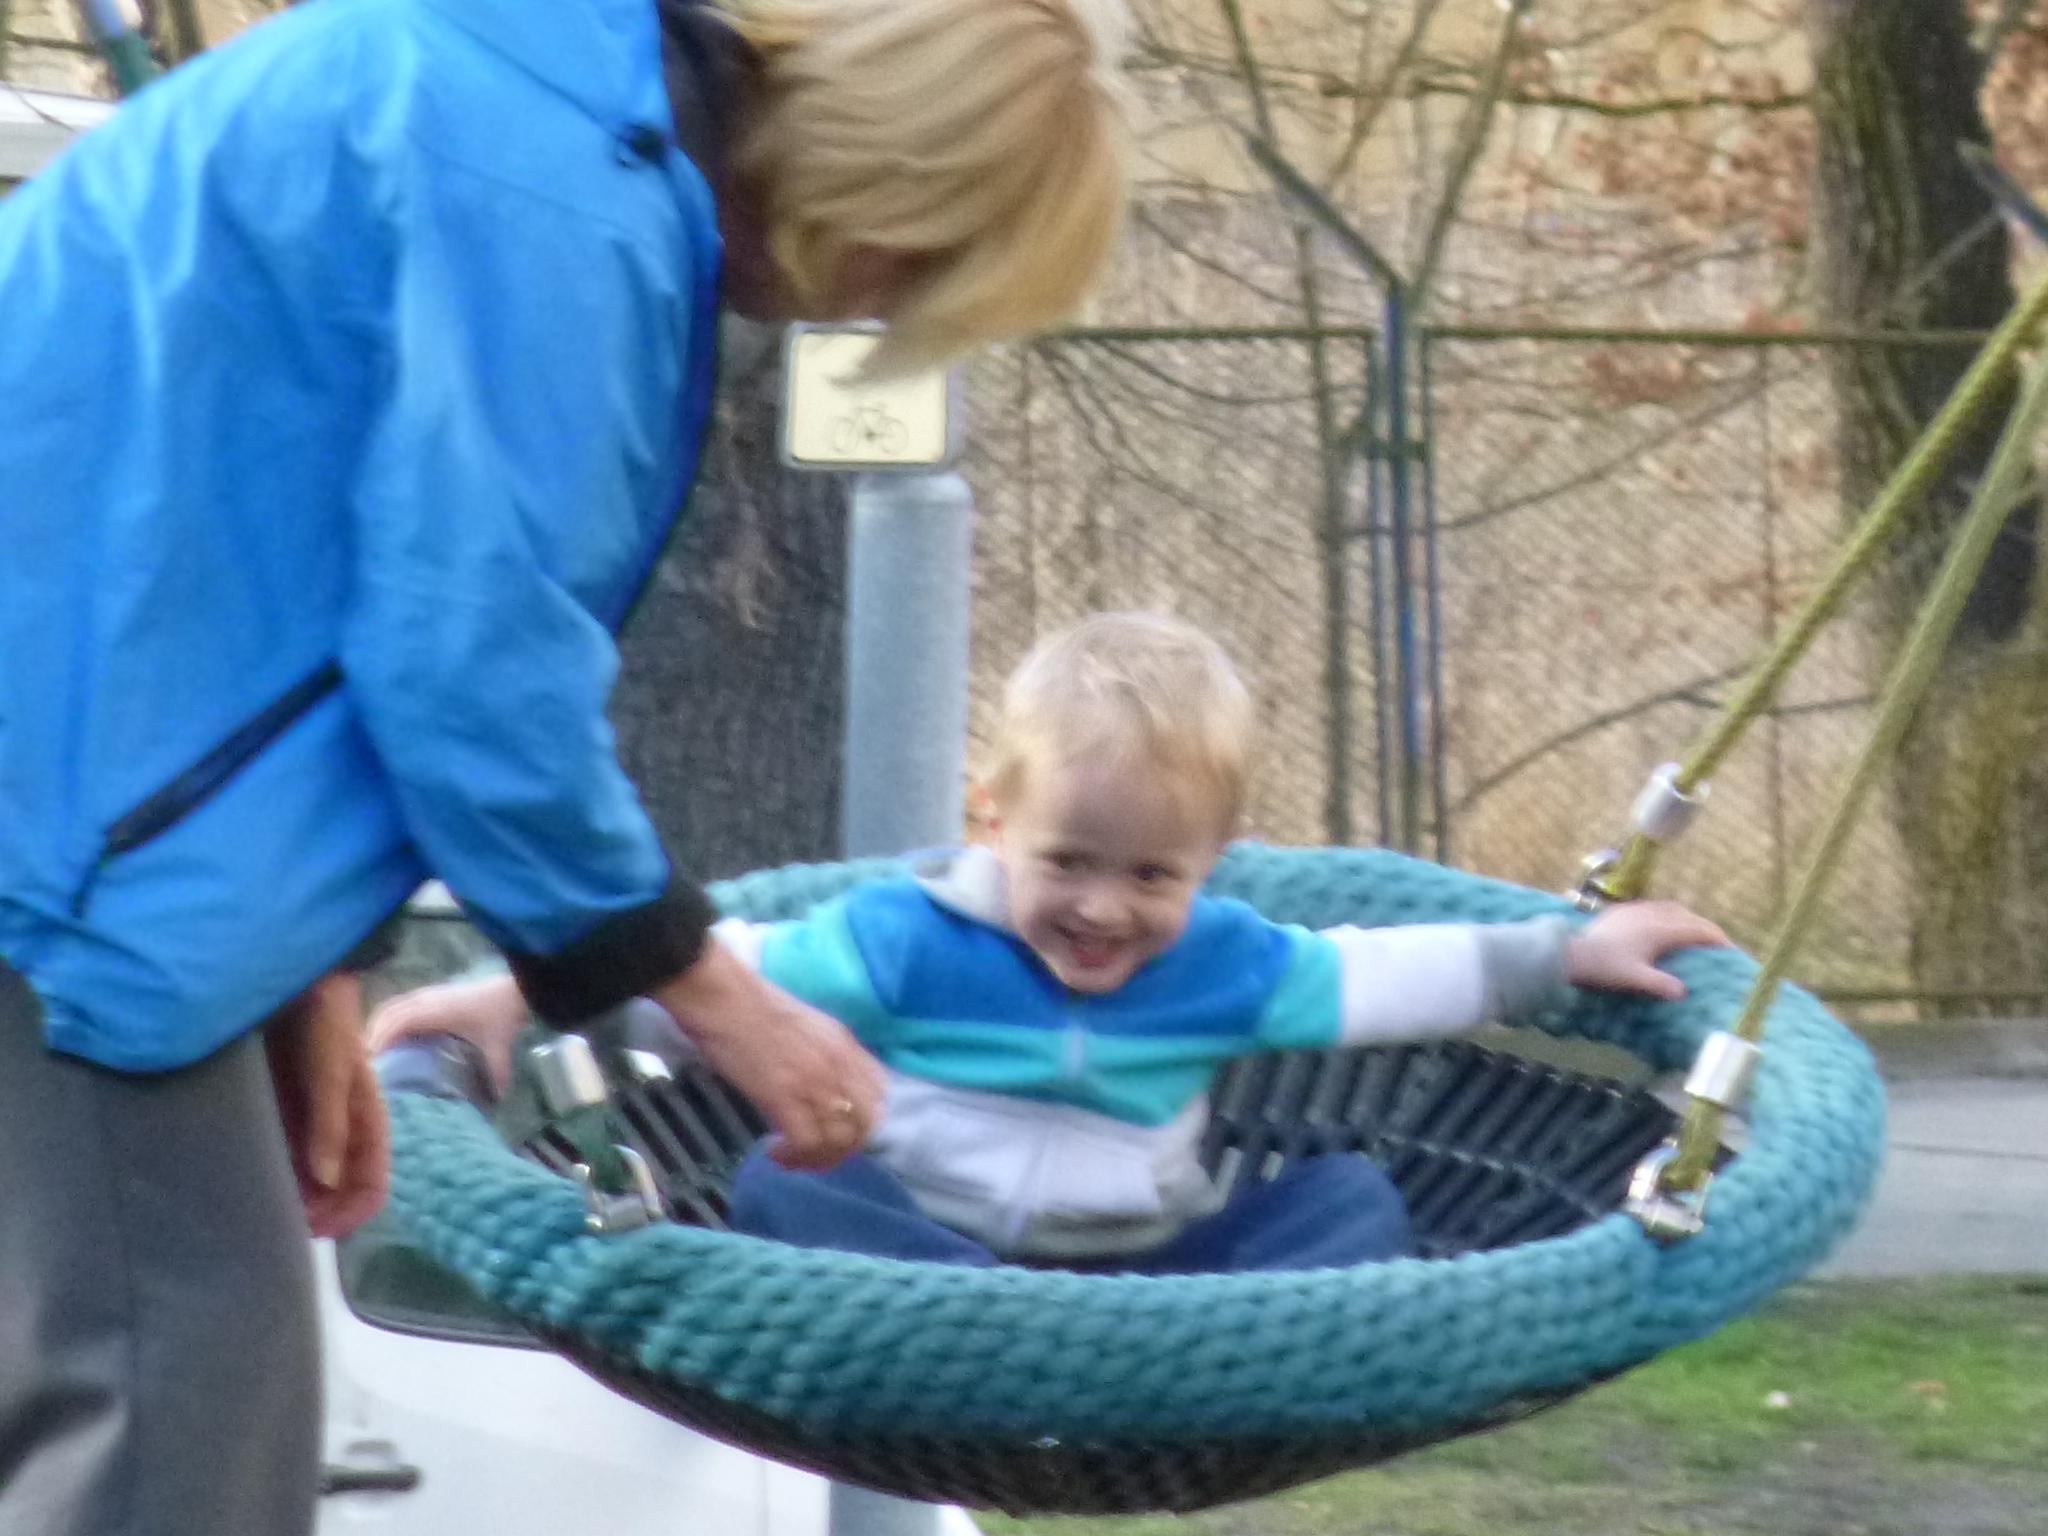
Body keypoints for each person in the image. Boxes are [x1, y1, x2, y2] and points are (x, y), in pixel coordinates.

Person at [0, 0, 1131, 1528]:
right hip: (57, 848)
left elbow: (265, 558)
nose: (864, 310)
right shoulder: (564, 209)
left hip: (85, 798)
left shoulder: (525, 93)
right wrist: (722, 1002)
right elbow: (475, 671)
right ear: (886, 187)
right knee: (174, 1403)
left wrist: (309, 962)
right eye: (916, 274)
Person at [375, 613, 1729, 1273]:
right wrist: (521, 1000)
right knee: (779, 1185)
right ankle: (980, 1326)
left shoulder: (1223, 962)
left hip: (1148, 1281)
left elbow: (1387, 976)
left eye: (1152, 876)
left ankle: (1188, 1361)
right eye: (1066, 862)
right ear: (993, 819)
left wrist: (1565, 950)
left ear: (1212, 863)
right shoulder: (906, 940)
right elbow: (708, 988)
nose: (1102, 909)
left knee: (1354, 1202)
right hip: (925, 1257)